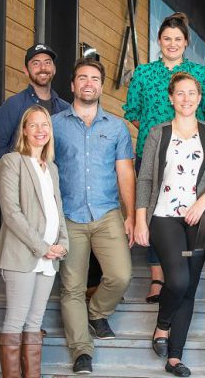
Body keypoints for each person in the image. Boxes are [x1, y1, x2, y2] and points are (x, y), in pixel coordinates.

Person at [134, 73, 205, 377]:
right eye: (180, 94)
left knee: (190, 288)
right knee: (178, 281)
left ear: (199, 99)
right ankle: (162, 325)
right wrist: (139, 219)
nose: (186, 99)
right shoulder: (157, 133)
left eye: (192, 93)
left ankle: (175, 357)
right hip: (163, 216)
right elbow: (145, 178)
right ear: (171, 98)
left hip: (199, 220)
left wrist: (203, 203)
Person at [53, 58, 136, 375]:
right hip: (69, 217)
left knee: (121, 275)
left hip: (106, 213)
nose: (89, 83)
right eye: (82, 78)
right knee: (71, 287)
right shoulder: (55, 124)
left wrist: (129, 215)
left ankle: (98, 310)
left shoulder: (116, 127)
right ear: (73, 85)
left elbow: (125, 173)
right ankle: (81, 351)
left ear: (101, 86)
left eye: (94, 78)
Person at [123, 12, 205, 305]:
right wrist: (157, 137)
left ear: (186, 42)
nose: (172, 44)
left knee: (185, 215)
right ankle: (157, 277)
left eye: (177, 39)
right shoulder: (144, 73)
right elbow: (134, 113)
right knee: (152, 213)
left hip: (191, 156)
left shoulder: (199, 74)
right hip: (152, 155)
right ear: (159, 41)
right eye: (166, 39)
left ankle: (183, 271)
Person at [0, 105, 68, 378]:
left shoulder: (52, 168)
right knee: (15, 321)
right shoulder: (12, 161)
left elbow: (57, 211)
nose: (40, 131)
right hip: (22, 254)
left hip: (49, 258)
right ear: (24, 130)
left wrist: (63, 244)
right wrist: (42, 247)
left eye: (45, 125)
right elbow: (12, 213)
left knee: (35, 322)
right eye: (34, 125)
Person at [0, 43, 70, 161]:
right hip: (23, 177)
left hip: (56, 177)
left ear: (54, 69)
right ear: (26, 71)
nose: (43, 67)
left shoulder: (65, 109)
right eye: (36, 63)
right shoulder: (13, 105)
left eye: (47, 62)